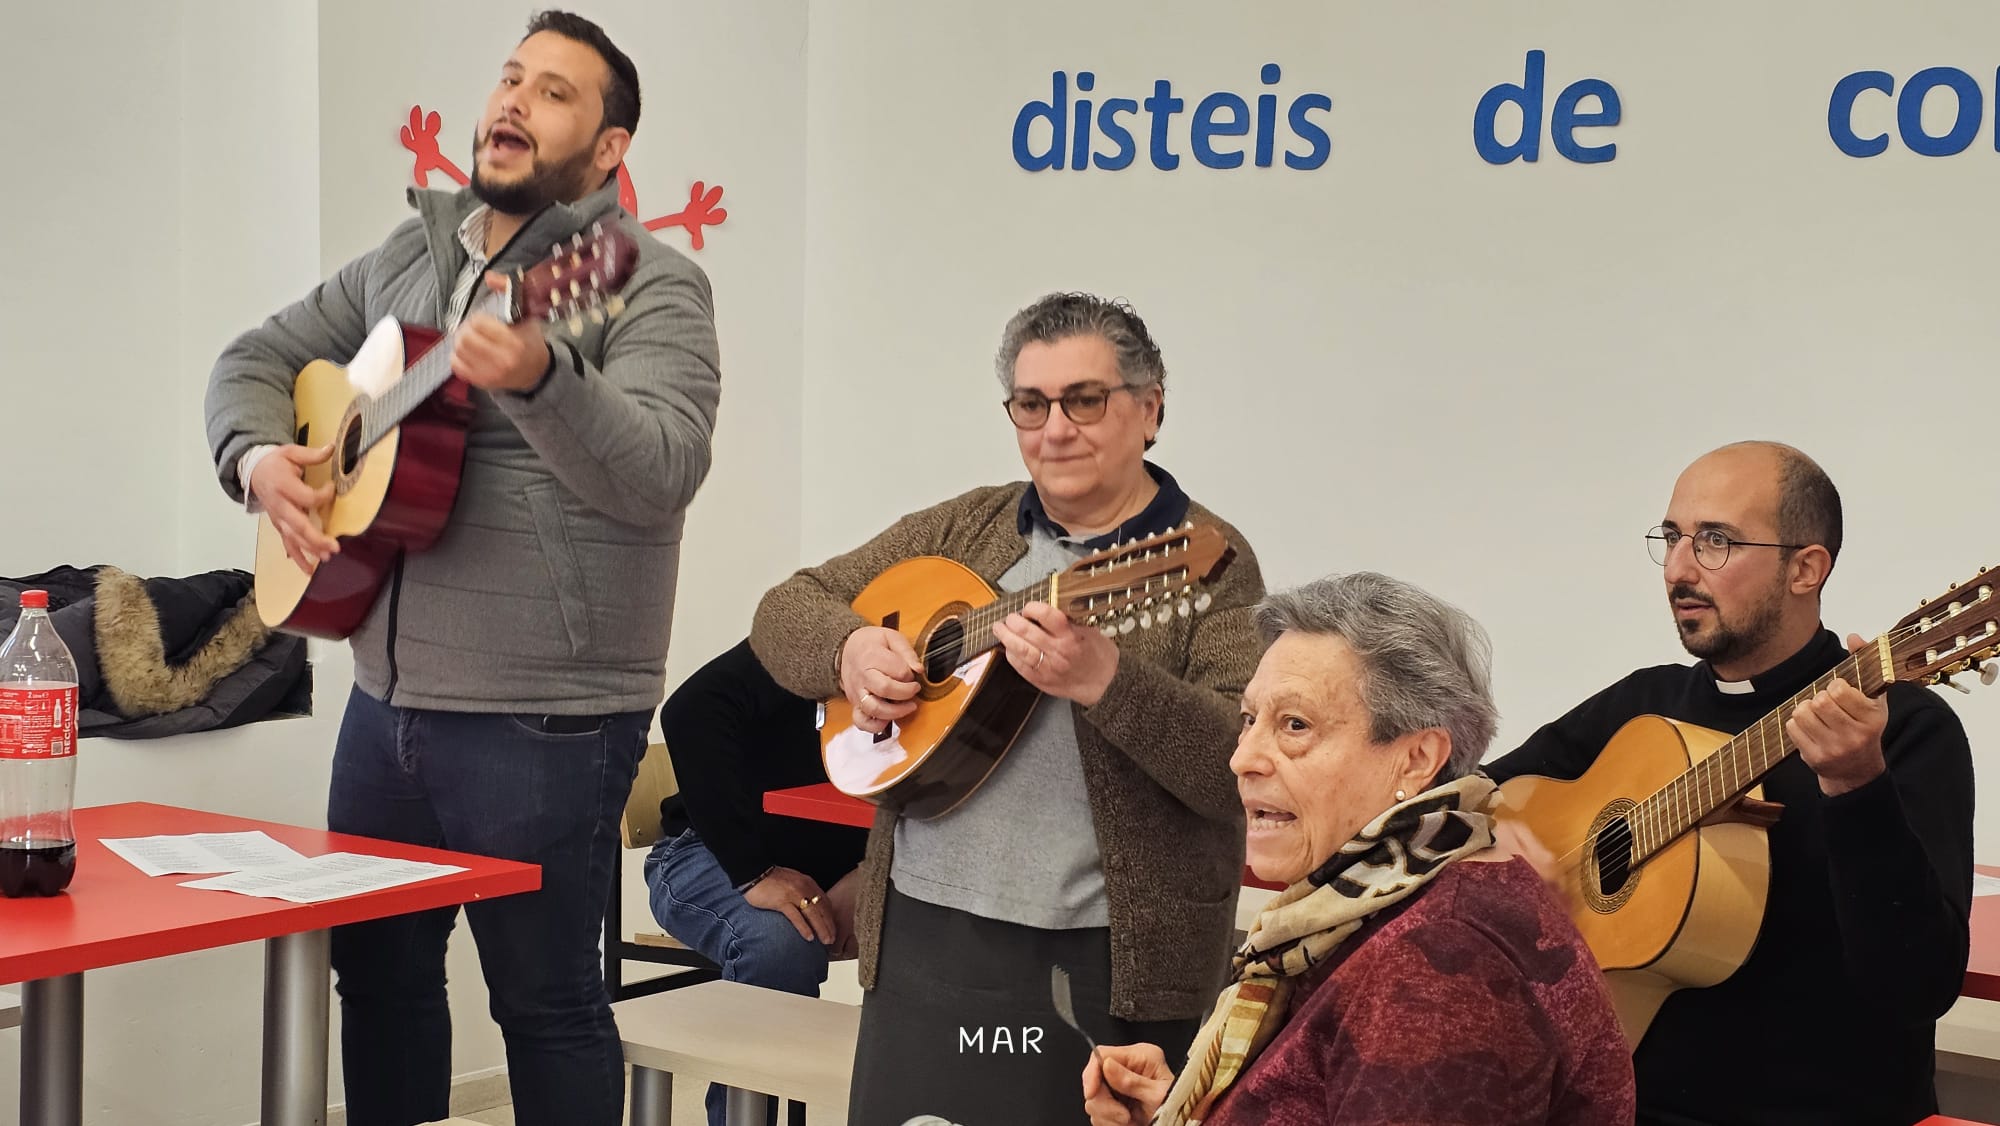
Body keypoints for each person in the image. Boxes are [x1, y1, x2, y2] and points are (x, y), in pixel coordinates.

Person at [203, 11, 721, 1125]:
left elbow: (664, 469)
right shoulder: (413, 256)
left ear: (610, 148)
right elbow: (256, 356)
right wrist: (257, 459)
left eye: (555, 92)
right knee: (376, 980)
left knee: (545, 1004)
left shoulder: (641, 281)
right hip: (382, 702)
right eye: (510, 78)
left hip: (546, 717)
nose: (514, 102)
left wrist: (541, 378)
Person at [748, 292, 1266, 1124]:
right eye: (1031, 404)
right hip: (923, 933)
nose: (1054, 429)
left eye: (1084, 400)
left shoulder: (1208, 560)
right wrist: (849, 651)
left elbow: (1240, 765)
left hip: (1107, 959)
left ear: (1150, 409)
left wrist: (1110, 682)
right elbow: (785, 609)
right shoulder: (967, 527)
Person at [1482, 441, 1974, 1126]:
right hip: (1610, 1103)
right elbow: (1477, 800)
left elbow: (1919, 988)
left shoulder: (1901, 729)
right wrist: (1499, 854)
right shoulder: (1644, 706)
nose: (1679, 569)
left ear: (1806, 568)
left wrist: (1856, 787)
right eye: (1672, 538)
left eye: (1716, 541)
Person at [1081, 572, 1635, 1126]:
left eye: (1295, 725)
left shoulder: (1442, 969)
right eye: (1249, 720)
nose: (1242, 757)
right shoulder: (1374, 905)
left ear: (1417, 760)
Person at [643, 639, 868, 1126]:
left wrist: (872, 874)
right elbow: (689, 712)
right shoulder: (819, 634)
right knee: (780, 945)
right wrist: (753, 872)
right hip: (712, 853)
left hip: (855, 869)